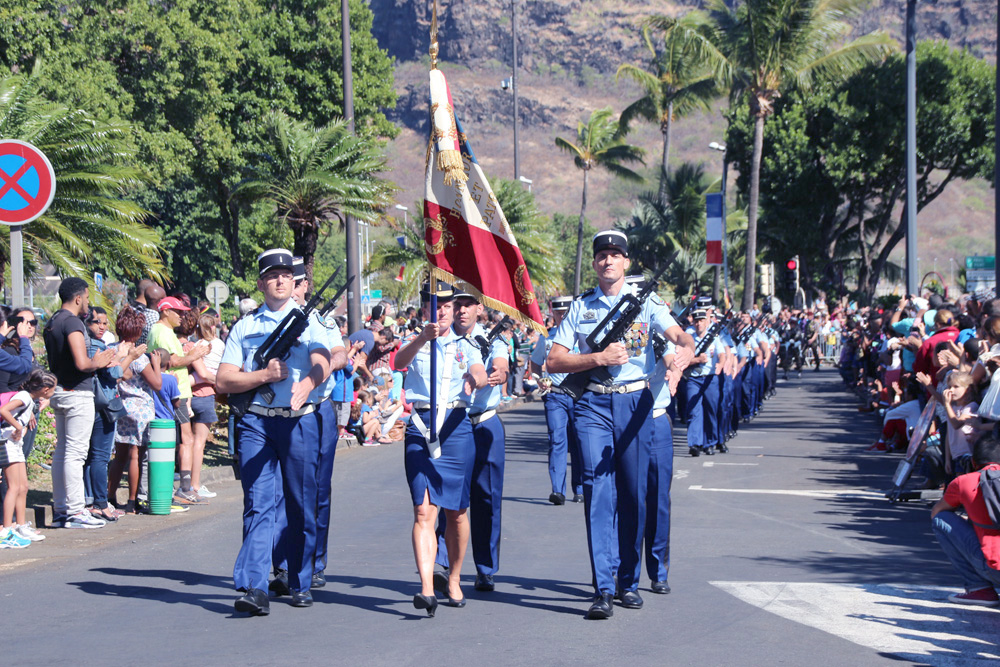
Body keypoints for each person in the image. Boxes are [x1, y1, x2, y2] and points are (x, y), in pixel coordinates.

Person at [546, 230, 695, 619]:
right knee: (598, 491)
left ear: (627, 263)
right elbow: (555, 362)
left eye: (616, 255)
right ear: (594, 264)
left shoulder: (646, 303)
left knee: (633, 493)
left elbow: (677, 333)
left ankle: (629, 581)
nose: (608, 261)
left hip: (636, 401)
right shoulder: (580, 307)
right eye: (602, 255)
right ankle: (604, 587)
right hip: (594, 403)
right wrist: (597, 358)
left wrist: (684, 348)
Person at [217, 248, 332, 616]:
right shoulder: (245, 327)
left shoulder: (309, 321)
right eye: (273, 274)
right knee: (259, 503)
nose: (281, 279)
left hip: (299, 420)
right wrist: (264, 376)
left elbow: (323, 358)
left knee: (300, 501)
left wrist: (310, 383)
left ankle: (299, 578)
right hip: (256, 421)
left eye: (286, 274)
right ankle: (255, 586)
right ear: (261, 282)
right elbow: (225, 379)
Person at [392, 281, 487, 617]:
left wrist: (473, 379)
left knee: (457, 513)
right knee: (423, 511)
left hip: (456, 427)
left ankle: (456, 575)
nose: (443, 310)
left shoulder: (467, 343)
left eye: (447, 305)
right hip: (421, 428)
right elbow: (398, 362)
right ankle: (427, 588)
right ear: (424, 308)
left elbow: (479, 369)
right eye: (436, 304)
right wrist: (421, 339)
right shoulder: (414, 341)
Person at [434, 285, 510, 593]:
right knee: (446, 495)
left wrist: (498, 375)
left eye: (469, 304)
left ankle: (485, 567)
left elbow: (502, 367)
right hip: (452, 423)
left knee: (486, 497)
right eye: (458, 304)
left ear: (480, 308)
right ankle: (442, 563)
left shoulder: (494, 340)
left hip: (485, 423)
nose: (462, 310)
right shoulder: (441, 339)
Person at [44, 277, 116, 529]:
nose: (88, 303)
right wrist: (102, 359)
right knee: (74, 454)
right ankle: (75, 511)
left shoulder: (52, 321)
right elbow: (83, 363)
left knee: (63, 453)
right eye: (86, 298)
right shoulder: (72, 322)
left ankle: (63, 510)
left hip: (60, 391)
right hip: (77, 393)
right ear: (77, 298)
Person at [147, 296, 209, 504]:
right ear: (165, 311)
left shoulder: (166, 331)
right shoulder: (162, 332)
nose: (182, 316)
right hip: (175, 393)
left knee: (184, 438)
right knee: (186, 439)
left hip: (180, 391)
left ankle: (184, 486)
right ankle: (184, 487)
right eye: (178, 312)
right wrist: (194, 354)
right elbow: (173, 361)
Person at [931, 436, 1000, 606]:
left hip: (994, 568)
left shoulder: (963, 482)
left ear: (974, 461)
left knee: (942, 520)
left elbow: (936, 513)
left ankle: (979, 588)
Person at [529, 296, 583, 505]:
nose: (562, 317)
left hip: (579, 395)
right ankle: (557, 490)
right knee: (557, 440)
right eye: (558, 313)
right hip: (556, 394)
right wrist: (538, 380)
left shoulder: (582, 335)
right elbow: (535, 363)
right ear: (553, 314)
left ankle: (579, 488)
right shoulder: (548, 338)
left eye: (566, 313)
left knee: (579, 441)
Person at [108, 307, 162, 514]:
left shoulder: (112, 349)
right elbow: (157, 384)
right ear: (139, 332)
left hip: (120, 406)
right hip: (140, 408)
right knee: (135, 456)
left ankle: (110, 496)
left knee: (119, 454)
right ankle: (132, 500)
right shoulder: (139, 356)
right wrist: (156, 363)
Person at [0, 369, 58, 548]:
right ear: (46, 389)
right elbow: (4, 410)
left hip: (15, 444)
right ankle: (6, 530)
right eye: (54, 388)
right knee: (14, 487)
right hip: (7, 442)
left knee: (23, 487)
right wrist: (18, 427)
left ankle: (20, 525)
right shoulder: (24, 397)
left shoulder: (29, 399)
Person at [189, 313, 225, 498]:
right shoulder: (218, 344)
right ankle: (195, 484)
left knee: (187, 442)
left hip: (190, 395)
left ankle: (186, 484)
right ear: (213, 328)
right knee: (199, 443)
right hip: (205, 396)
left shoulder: (195, 346)